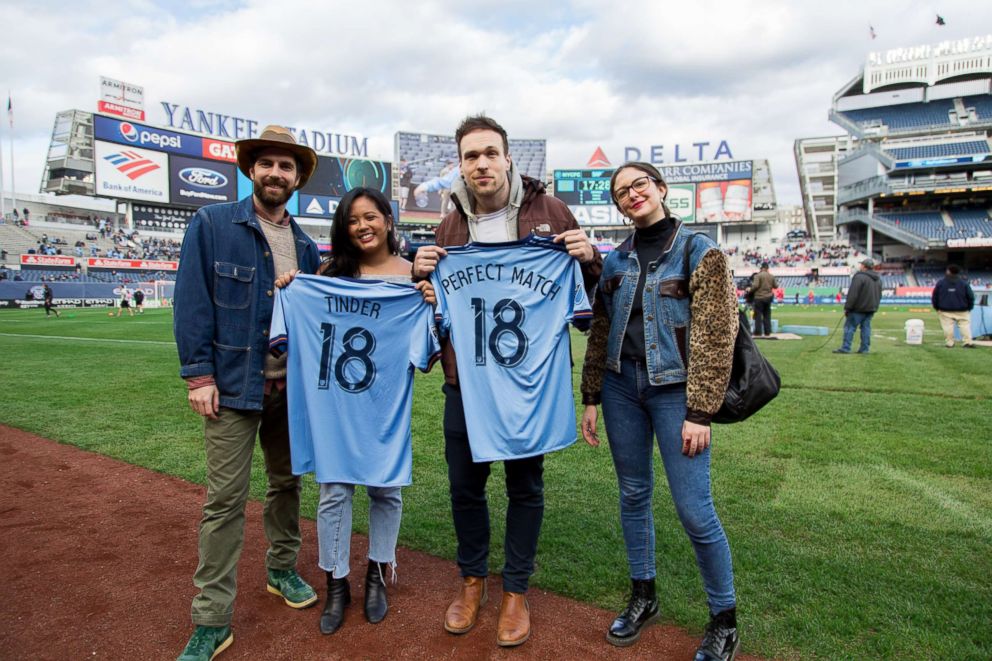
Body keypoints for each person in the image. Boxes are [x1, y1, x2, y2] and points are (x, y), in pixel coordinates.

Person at [412, 115, 601, 647]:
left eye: (490, 153)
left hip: (528, 384)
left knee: (525, 486)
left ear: (508, 157)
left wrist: (590, 261)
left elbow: (589, 298)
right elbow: (434, 304)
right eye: (471, 156)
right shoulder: (448, 222)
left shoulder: (550, 210)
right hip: (465, 383)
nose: (481, 164)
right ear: (462, 164)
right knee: (464, 489)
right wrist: (420, 273)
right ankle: (472, 583)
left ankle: (515, 590)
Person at [579, 162, 741, 660]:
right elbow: (602, 330)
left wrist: (700, 411)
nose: (632, 195)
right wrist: (590, 397)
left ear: (661, 190)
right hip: (622, 388)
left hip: (677, 395)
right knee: (633, 496)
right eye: (622, 191)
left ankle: (724, 618)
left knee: (695, 510)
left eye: (639, 185)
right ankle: (643, 597)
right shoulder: (616, 260)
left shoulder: (700, 251)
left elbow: (717, 336)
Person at [173, 125, 322, 661]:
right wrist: (199, 376)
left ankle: (282, 569)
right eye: (267, 164)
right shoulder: (213, 223)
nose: (276, 174)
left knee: (286, 486)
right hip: (233, 388)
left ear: (298, 178)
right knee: (224, 501)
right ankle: (211, 619)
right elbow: (191, 301)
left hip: (291, 392)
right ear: (251, 170)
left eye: (286, 167)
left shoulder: (306, 246)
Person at [272, 188, 436, 636]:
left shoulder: (413, 277)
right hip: (335, 405)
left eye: (371, 216)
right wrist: (291, 288)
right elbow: (297, 322)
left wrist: (427, 305)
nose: (362, 226)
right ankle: (337, 582)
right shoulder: (326, 274)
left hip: (385, 402)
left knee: (386, 491)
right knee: (334, 493)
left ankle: (378, 574)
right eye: (351, 220)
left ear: (388, 219)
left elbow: (428, 353)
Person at [834, 258, 882, 354]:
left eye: (861, 265)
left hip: (858, 309)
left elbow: (853, 294)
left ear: (864, 266)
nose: (860, 266)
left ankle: (846, 347)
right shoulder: (878, 279)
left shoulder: (859, 277)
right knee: (866, 328)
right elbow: (879, 295)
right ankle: (864, 349)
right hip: (870, 309)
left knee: (850, 327)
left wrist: (847, 307)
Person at [931, 264, 976, 348]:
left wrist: (936, 307)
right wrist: (969, 307)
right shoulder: (964, 283)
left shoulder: (941, 283)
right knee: (964, 326)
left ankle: (950, 343)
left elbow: (935, 296)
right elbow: (970, 296)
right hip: (962, 309)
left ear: (948, 271)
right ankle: (968, 342)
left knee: (947, 327)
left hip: (945, 309)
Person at [747, 262, 776, 336]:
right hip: (768, 297)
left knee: (758, 315)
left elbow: (755, 286)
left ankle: (758, 332)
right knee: (767, 315)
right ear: (767, 268)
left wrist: (750, 290)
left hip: (759, 298)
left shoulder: (758, 276)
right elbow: (776, 286)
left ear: (761, 268)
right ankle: (767, 332)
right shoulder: (771, 276)